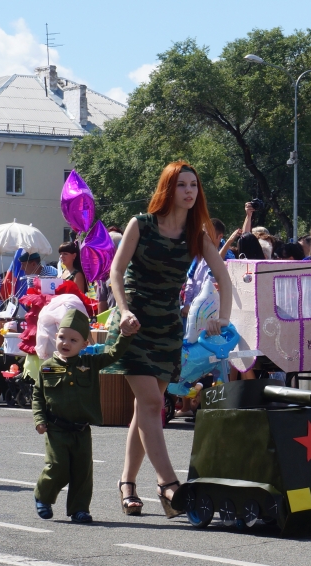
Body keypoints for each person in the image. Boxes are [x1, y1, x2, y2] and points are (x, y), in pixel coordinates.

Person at [108, 161, 232, 517]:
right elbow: (115, 272)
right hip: (132, 322)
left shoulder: (197, 234)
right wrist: (124, 310)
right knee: (150, 403)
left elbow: (223, 275)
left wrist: (221, 318)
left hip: (167, 326)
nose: (190, 191)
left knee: (145, 408)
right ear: (168, 189)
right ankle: (168, 484)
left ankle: (126, 482)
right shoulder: (141, 224)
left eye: (194, 185)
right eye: (182, 185)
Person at [33, 309, 133, 523]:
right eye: (61, 337)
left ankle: (79, 509)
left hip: (81, 430)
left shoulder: (89, 363)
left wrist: (125, 336)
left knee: (82, 471)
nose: (65, 343)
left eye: (73, 339)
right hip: (57, 429)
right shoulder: (48, 368)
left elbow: (113, 354)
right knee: (57, 466)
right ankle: (43, 495)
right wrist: (39, 419)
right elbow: (38, 395)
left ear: (84, 344)